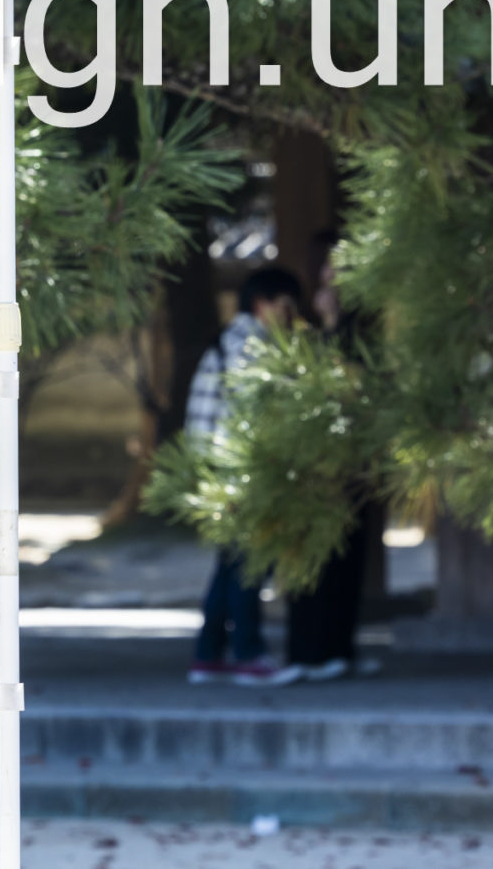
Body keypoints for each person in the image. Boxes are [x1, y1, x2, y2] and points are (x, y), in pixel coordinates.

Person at [184, 266, 301, 686]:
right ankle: (248, 654)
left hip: (217, 471)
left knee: (231, 566)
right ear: (263, 303)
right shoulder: (252, 346)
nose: (290, 316)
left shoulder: (230, 339)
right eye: (286, 305)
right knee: (250, 567)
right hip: (241, 472)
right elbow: (256, 415)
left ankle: (208, 655)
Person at [281, 237, 379, 682]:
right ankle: (304, 651)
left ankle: (339, 648)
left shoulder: (362, 333)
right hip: (307, 461)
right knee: (307, 558)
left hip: (349, 462)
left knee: (347, 555)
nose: (332, 277)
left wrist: (338, 323)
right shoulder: (301, 330)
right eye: (327, 267)